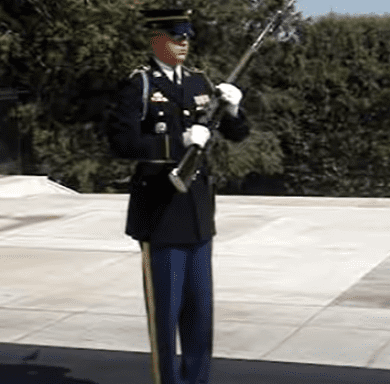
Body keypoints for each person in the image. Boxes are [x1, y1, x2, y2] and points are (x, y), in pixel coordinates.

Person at [106, 8, 249, 384]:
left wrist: (233, 110)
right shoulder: (138, 84)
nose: (183, 44)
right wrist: (178, 142)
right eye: (175, 37)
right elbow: (122, 142)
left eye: (186, 37)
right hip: (160, 214)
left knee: (200, 313)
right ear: (156, 39)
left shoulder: (201, 82)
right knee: (166, 315)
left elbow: (237, 134)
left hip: (198, 213)